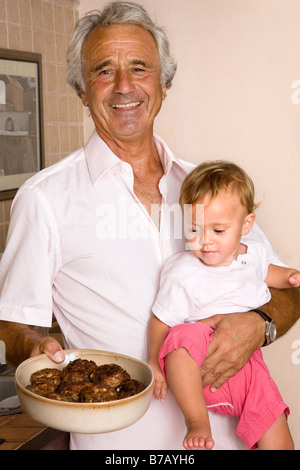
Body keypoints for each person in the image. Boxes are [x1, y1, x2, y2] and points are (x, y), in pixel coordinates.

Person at [0, 2, 299, 450]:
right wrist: (36, 347)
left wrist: (259, 324)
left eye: (140, 68)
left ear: (163, 84)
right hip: (124, 447)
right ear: (83, 91)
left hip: (237, 438)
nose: (124, 86)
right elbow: (13, 321)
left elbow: (285, 289)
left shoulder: (210, 189)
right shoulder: (45, 198)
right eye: (103, 70)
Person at [148, 161, 298, 450]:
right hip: (198, 366)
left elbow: (268, 273)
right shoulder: (182, 271)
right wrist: (153, 359)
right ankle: (197, 421)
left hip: (244, 358)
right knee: (180, 337)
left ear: (246, 225)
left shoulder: (252, 254)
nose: (205, 242)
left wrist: (290, 277)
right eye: (194, 230)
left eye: (218, 231)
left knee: (269, 406)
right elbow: (160, 321)